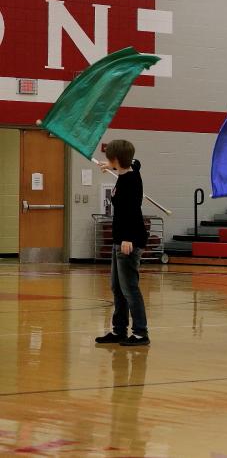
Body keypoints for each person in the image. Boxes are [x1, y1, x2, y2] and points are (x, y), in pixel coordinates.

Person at [94, 140, 150, 347]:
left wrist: (128, 238)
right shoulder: (130, 170)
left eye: (110, 158)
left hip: (128, 241)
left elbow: (131, 212)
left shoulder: (130, 181)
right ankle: (119, 330)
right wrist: (113, 166)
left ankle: (140, 333)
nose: (108, 161)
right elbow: (137, 161)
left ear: (117, 159)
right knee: (117, 287)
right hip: (120, 240)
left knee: (130, 288)